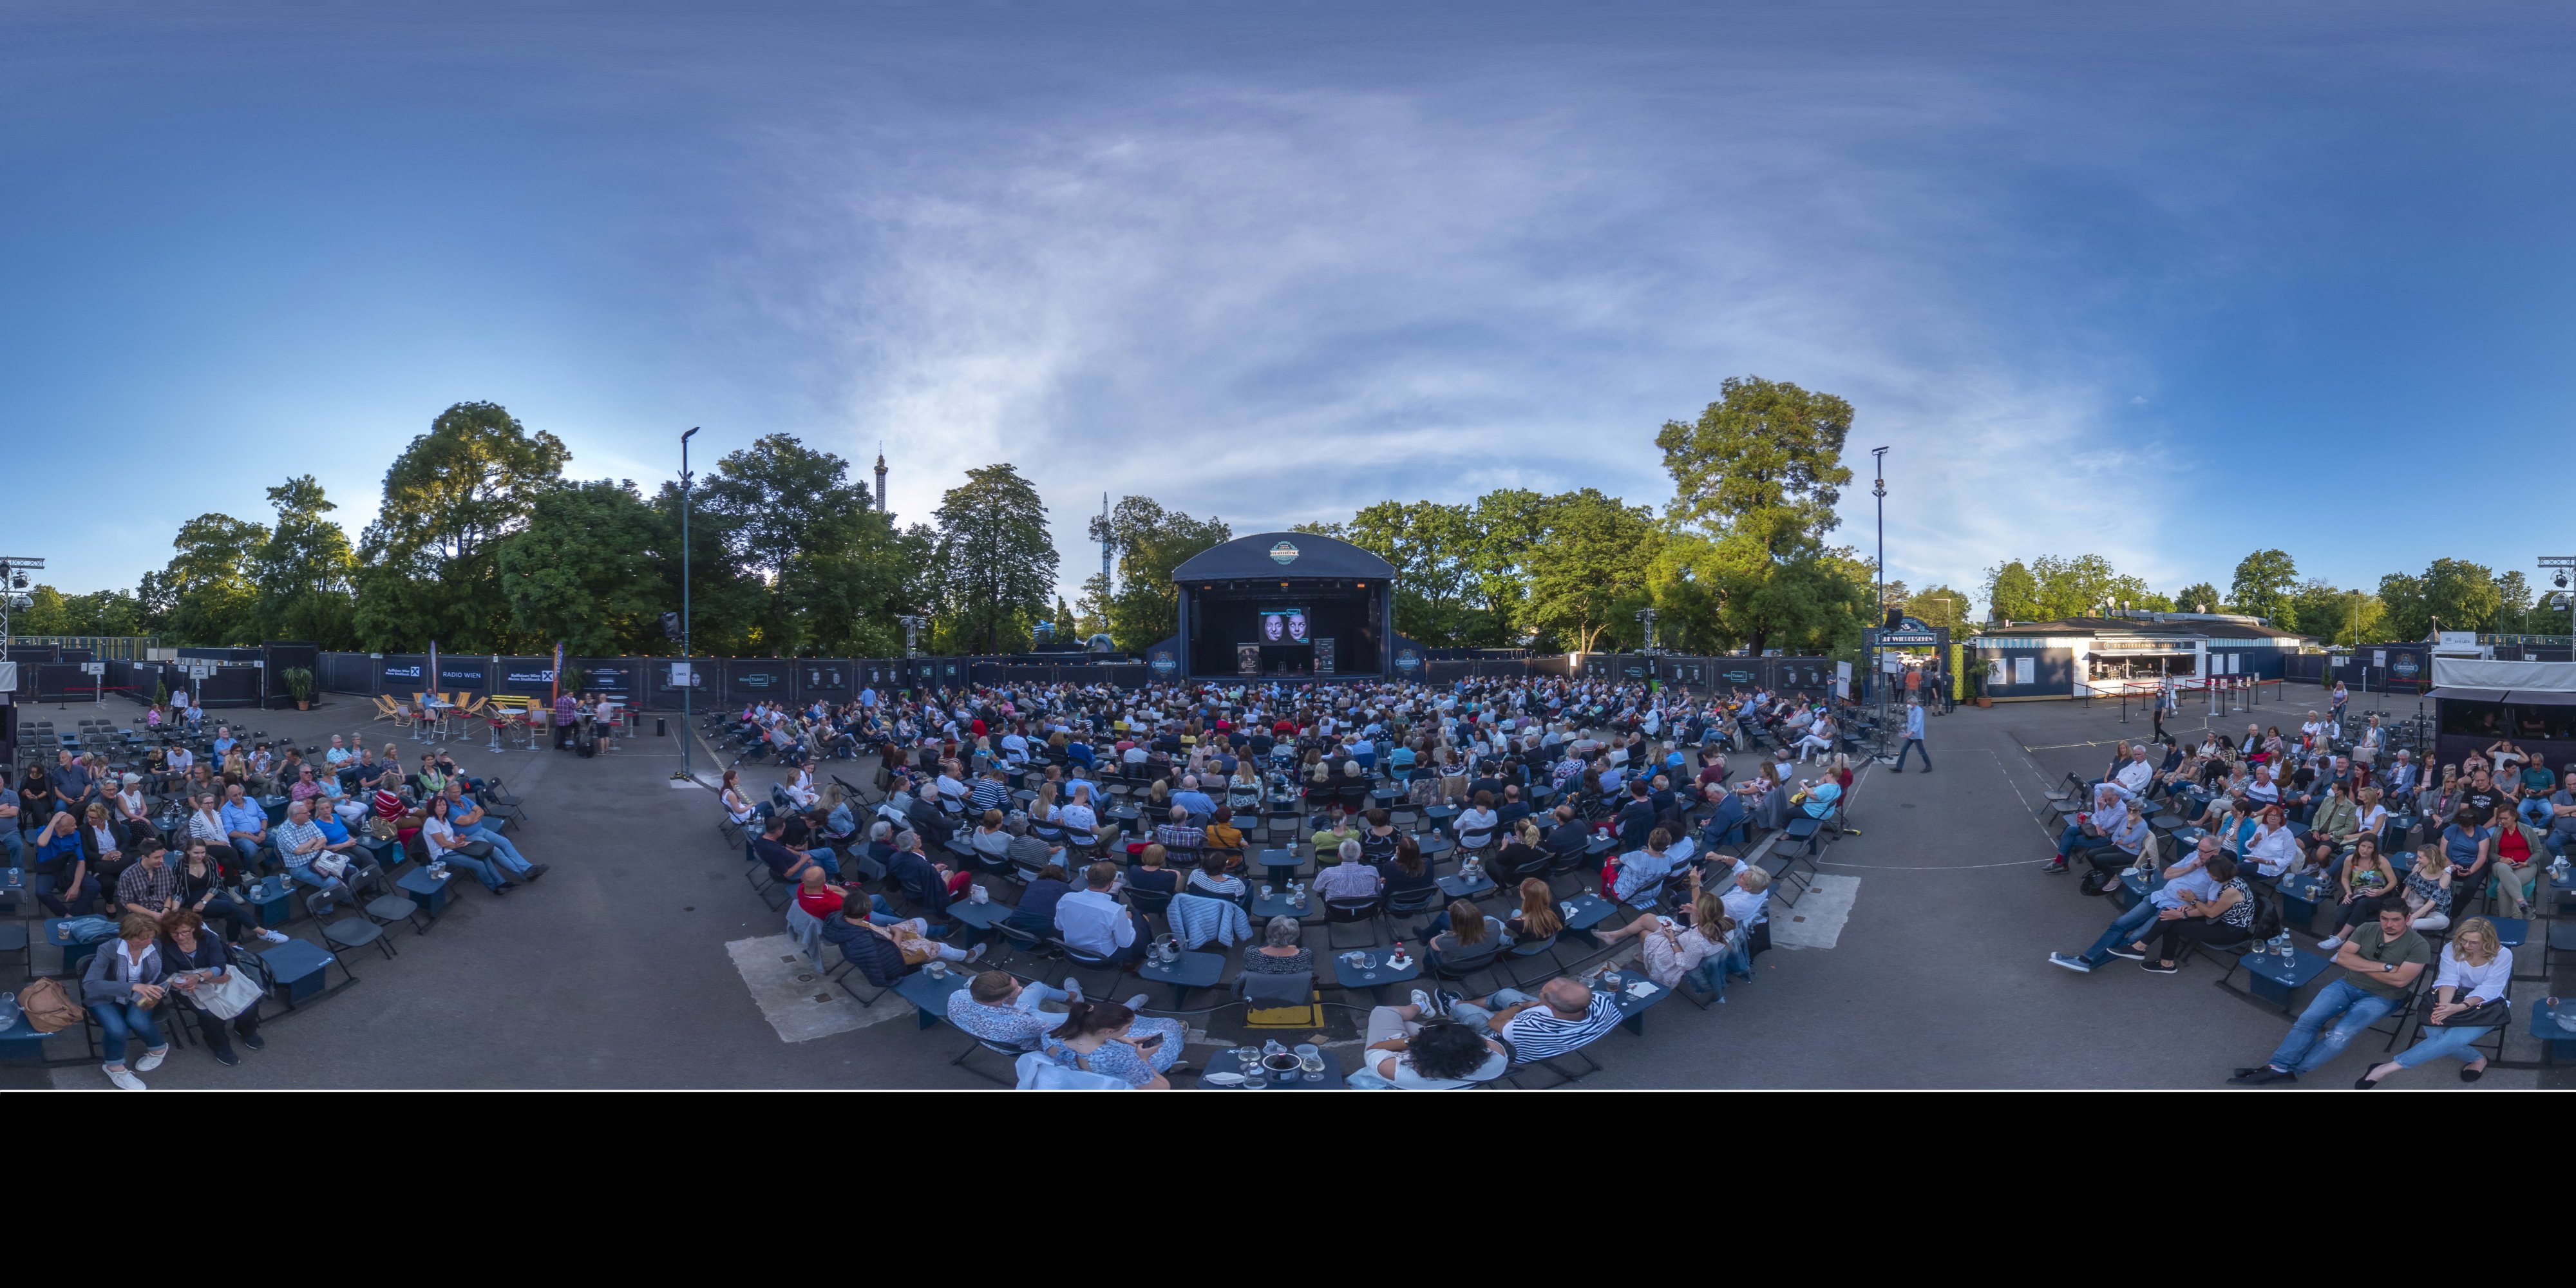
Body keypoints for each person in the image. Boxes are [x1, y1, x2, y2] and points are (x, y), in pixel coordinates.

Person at [2231, 901, 2429, 1085]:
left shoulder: (2418, 945)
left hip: (2383, 997)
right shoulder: (2367, 929)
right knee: (2308, 1019)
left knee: (2339, 1035)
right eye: (2384, 919)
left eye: (2395, 920)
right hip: (2348, 984)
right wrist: (2386, 967)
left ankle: (2293, 1071)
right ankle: (2277, 1067)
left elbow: (2401, 980)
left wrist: (2359, 965)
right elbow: (2342, 958)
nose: (2389, 924)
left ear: (2407, 918)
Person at [2358, 916, 2512, 1087]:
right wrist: (2443, 1007)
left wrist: (2460, 1007)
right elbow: (2448, 979)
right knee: (2436, 1036)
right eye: (2464, 939)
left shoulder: (2503, 955)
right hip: (2450, 996)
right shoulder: (2452, 948)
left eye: (2474, 942)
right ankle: (2477, 1058)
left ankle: (2385, 1068)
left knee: (2450, 1039)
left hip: (2484, 1003)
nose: (2467, 945)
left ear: (2488, 941)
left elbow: (2490, 988)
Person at [2050, 834, 2226, 972]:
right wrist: (2190, 867)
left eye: (2203, 852)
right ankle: (2084, 960)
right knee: (2119, 924)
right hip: (2157, 897)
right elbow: (2167, 874)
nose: (2199, 854)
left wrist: (2192, 903)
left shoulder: (2217, 872)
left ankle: (2087, 962)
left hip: (2171, 908)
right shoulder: (2194, 857)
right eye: (2198, 849)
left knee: (2136, 939)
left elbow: (2210, 906)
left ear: (2215, 853)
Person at [157, 908, 267, 1067]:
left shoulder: (209, 937)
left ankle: (246, 1030)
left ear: (193, 928)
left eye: (184, 932)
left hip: (210, 974)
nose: (180, 937)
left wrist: (200, 977)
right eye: (175, 933)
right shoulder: (165, 945)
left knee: (250, 1003)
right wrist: (183, 982)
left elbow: (219, 966)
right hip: (186, 981)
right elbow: (171, 972)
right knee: (209, 1016)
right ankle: (219, 1044)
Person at [946, 971, 1146, 1052]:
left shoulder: (958, 996)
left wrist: (1013, 999)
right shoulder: (1022, 1023)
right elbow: (1071, 1028)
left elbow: (975, 984)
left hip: (999, 1021)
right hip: (1017, 1031)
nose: (1021, 988)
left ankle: (1073, 996)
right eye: (1017, 989)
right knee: (1086, 1016)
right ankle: (1120, 1014)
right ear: (1005, 998)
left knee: (1038, 987)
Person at [83, 912, 173, 1091]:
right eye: (143, 939)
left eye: (151, 937)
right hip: (106, 996)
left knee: (137, 1021)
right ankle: (114, 1067)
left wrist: (174, 981)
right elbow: (90, 984)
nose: (149, 942)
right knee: (117, 1029)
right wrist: (132, 987)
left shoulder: (154, 944)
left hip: (142, 993)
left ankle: (158, 1049)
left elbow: (157, 974)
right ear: (128, 936)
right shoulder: (108, 949)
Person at [1437, 976, 1623, 1063]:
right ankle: (1461, 1002)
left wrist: (1519, 1006)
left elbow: (1495, 1024)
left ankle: (1454, 1009)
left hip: (1508, 1042)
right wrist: (1535, 1005)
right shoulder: (1599, 1002)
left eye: (1542, 993)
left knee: (1465, 1011)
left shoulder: (1531, 1027)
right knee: (1505, 993)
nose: (1540, 993)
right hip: (1563, 1032)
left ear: (1550, 1005)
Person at [2140, 853, 2255, 974]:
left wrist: (2193, 901)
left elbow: (2211, 913)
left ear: (2217, 875)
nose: (2208, 874)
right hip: (2220, 918)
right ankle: (2141, 947)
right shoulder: (2232, 881)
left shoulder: (2232, 890)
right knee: (2172, 916)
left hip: (2229, 930)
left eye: (2209, 873)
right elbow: (2214, 908)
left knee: (2173, 925)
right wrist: (2192, 906)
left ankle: (2165, 964)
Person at [1363, 999, 1511, 1088]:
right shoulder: (1497, 1056)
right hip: (1451, 1082)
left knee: (1382, 1012)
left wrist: (1412, 1041)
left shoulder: (1394, 1071)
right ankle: (1418, 1006)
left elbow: (1374, 1049)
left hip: (1402, 1058)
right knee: (1404, 1024)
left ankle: (1419, 1005)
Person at [1037, 999, 1185, 1088]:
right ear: (1108, 1031)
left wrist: (1120, 1038)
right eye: (1129, 1027)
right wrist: (1143, 1059)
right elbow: (1161, 1088)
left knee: (1161, 1026)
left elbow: (1082, 1049)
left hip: (1096, 1062)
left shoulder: (1051, 1034)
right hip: (1128, 1067)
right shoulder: (1118, 1058)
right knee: (1170, 1029)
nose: (1130, 1029)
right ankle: (1178, 1034)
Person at [2315, 835, 2399, 951]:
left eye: (2369, 848)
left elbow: (2393, 881)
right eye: (2363, 846)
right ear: (2358, 846)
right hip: (2358, 893)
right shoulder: (2350, 859)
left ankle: (2341, 938)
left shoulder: (2381, 861)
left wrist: (2381, 892)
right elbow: (2345, 878)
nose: (2365, 850)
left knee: (2363, 903)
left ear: (2374, 849)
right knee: (2342, 915)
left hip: (2378, 895)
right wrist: (2348, 892)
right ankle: (2340, 942)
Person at [1056, 861, 1145, 963]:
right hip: (1102, 958)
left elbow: (1059, 926)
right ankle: (1141, 957)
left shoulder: (1066, 898)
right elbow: (1125, 943)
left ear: (1088, 879)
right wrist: (1128, 920)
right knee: (1138, 919)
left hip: (1071, 951)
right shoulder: (1115, 910)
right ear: (1111, 883)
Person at [29, 808, 97, 916]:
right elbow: (42, 843)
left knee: (94, 886)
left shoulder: (75, 834)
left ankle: (73, 915)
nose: (76, 827)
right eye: (73, 825)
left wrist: (75, 886)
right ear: (62, 828)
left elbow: (81, 861)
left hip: (69, 868)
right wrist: (53, 821)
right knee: (41, 892)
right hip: (48, 869)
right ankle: (65, 914)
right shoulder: (44, 831)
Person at [1242, 915, 1312, 975]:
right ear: (1295, 936)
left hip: (1261, 986)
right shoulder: (1305, 955)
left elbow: (1249, 969)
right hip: (1293, 986)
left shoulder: (1251, 953)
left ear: (1267, 932)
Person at [1314, 837, 1380, 900]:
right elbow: (1379, 890)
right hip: (1367, 907)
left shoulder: (1327, 873)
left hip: (1336, 907)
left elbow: (1318, 889)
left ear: (1339, 855)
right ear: (1360, 855)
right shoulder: (1372, 871)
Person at [1890, 698, 1929, 772]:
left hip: (1916, 735)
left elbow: (1918, 724)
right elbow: (1910, 722)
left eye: (1909, 703)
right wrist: (1905, 727)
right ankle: (1899, 767)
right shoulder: (1910, 710)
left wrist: (1910, 733)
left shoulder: (1919, 711)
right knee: (1903, 750)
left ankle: (1929, 766)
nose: (1908, 705)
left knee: (1922, 752)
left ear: (1914, 703)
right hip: (1910, 735)